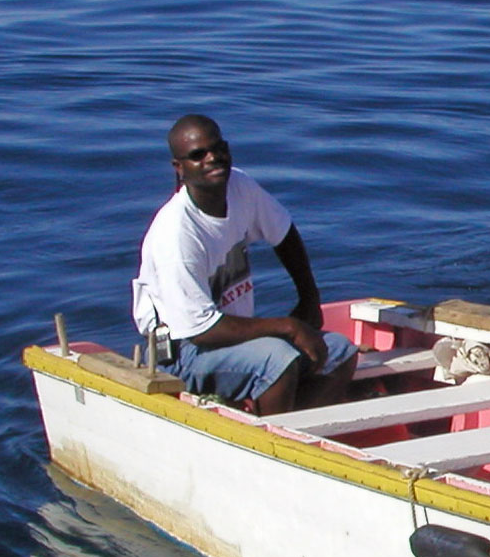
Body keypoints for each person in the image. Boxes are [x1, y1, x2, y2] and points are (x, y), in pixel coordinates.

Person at [131, 115, 357, 415]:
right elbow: (200, 330)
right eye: (198, 155)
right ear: (180, 168)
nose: (213, 158)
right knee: (278, 360)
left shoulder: (240, 186)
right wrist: (289, 327)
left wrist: (308, 297)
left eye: (218, 148)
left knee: (340, 352)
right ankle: (273, 446)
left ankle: (295, 431)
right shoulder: (176, 235)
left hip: (227, 336)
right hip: (182, 352)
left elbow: (284, 233)